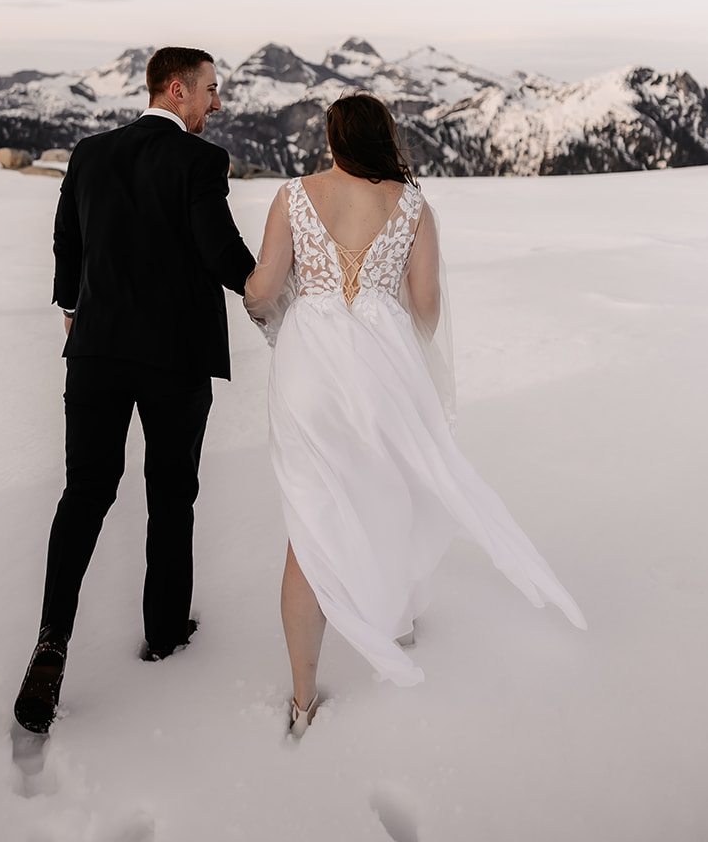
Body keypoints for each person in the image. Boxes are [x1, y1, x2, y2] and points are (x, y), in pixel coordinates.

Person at [244, 91, 586, 738]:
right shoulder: (412, 207)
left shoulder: (292, 196)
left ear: (333, 138)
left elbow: (263, 288)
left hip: (308, 371)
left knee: (310, 520)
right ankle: (392, 622)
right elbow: (425, 310)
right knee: (388, 493)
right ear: (384, 138)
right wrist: (382, 325)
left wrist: (276, 307)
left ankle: (301, 697)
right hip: (382, 370)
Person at [14, 47, 257, 736]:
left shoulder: (89, 152)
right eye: (211, 90)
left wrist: (74, 308)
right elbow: (221, 256)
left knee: (84, 494)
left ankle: (51, 640)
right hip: (174, 360)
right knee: (170, 491)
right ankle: (164, 632)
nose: (217, 103)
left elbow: (69, 244)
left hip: (94, 351)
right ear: (176, 90)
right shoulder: (200, 163)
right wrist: (276, 289)